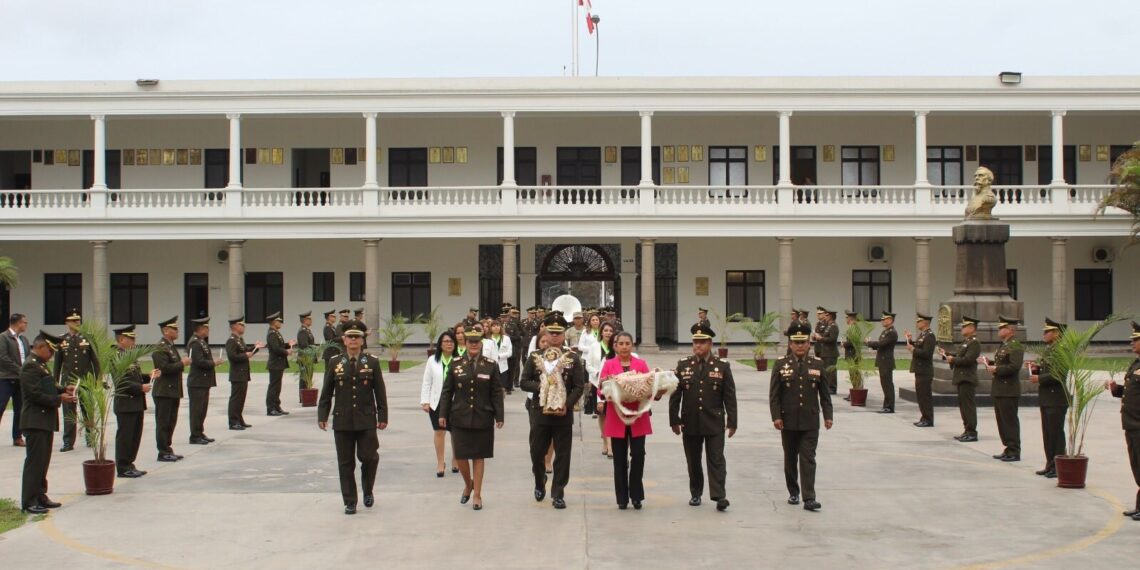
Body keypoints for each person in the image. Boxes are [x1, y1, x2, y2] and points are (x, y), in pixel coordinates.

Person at [317, 320, 388, 515]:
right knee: (345, 462)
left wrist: (383, 415)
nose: (354, 340)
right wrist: (322, 414)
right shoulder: (335, 362)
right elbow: (326, 392)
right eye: (350, 337)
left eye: (357, 336)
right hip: (343, 420)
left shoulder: (372, 362)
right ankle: (350, 500)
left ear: (363, 340)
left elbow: (379, 391)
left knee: (370, 457)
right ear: (344, 340)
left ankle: (367, 490)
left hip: (366, 419)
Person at [519, 312, 586, 510]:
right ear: (545, 334)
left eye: (559, 333)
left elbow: (579, 386)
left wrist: (566, 402)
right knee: (536, 452)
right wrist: (544, 388)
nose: (555, 337)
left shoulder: (572, 358)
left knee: (563, 455)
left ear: (564, 334)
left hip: (563, 414)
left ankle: (558, 492)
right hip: (539, 411)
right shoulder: (536, 357)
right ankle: (540, 481)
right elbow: (523, 382)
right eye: (551, 333)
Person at [669, 322, 738, 511]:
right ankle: (696, 493)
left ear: (710, 344)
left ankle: (719, 495)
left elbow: (729, 396)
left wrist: (732, 421)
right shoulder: (683, 365)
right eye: (695, 342)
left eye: (702, 342)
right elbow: (675, 395)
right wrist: (674, 420)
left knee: (716, 458)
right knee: (693, 460)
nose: (697, 346)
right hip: (690, 421)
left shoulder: (722, 366)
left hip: (714, 421)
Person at [438, 329, 504, 511]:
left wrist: (499, 415)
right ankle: (468, 484)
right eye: (470, 342)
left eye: (477, 341)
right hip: (459, 416)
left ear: (481, 343)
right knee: (460, 456)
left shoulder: (490, 365)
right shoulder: (456, 363)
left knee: (479, 457)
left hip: (483, 416)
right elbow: (447, 392)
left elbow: (496, 392)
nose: (474, 344)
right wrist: (442, 414)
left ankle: (477, 494)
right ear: (465, 343)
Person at [771, 322, 833, 512]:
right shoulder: (781, 364)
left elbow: (825, 394)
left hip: (810, 420)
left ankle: (809, 497)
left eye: (803, 342)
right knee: (790, 459)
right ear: (790, 344)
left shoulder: (818, 364)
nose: (799, 346)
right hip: (787, 421)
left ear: (809, 344)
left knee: (808, 458)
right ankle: (793, 491)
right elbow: (775, 395)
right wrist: (776, 416)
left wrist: (828, 416)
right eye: (795, 342)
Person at [19, 330, 77, 514]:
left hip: (44, 420)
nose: (52, 355)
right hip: (35, 420)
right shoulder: (30, 365)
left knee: (43, 461)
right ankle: (29, 500)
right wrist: (60, 399)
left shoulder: (40, 365)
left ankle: (41, 495)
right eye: (50, 351)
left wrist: (62, 388)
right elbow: (34, 394)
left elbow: (47, 385)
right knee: (35, 462)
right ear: (40, 347)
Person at [598, 331, 654, 510]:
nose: (623, 347)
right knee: (619, 458)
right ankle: (622, 497)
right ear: (614, 346)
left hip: (638, 416)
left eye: (627, 343)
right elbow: (600, 390)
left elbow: (650, 386)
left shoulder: (641, 364)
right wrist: (607, 386)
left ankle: (636, 495)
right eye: (620, 343)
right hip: (617, 416)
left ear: (632, 345)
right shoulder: (608, 364)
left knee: (638, 455)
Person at [113, 325, 158, 478]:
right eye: (130, 339)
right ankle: (123, 466)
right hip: (126, 403)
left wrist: (147, 376)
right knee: (125, 437)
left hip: (137, 402)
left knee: (134, 436)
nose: (134, 342)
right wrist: (140, 387)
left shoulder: (130, 356)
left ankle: (130, 464)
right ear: (121, 339)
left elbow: (135, 377)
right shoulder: (117, 357)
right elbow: (121, 382)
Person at [1106, 321, 1140, 521]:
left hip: (1138, 423)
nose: (1132, 344)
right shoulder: (1135, 364)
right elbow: (1131, 392)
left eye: (1136, 340)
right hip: (1131, 424)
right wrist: (1116, 389)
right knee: (1136, 465)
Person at [1027, 318, 1068, 478]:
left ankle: (1058, 466)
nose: (1044, 334)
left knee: (1056, 434)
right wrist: (1037, 368)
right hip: (1047, 398)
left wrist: (1040, 378)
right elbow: (1048, 369)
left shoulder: (1061, 350)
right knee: (1048, 433)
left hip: (1056, 398)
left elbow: (1059, 374)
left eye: (1047, 331)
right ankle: (1050, 464)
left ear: (1057, 333)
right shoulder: (1050, 349)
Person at [54, 309, 99, 452]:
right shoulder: (62, 339)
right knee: (69, 412)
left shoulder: (88, 337)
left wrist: (98, 378)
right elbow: (57, 363)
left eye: (78, 320)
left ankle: (90, 437)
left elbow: (95, 360)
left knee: (87, 410)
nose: (76, 323)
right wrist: (56, 381)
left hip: (85, 379)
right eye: (73, 321)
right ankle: (68, 442)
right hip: (69, 381)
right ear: (67, 323)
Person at [984, 316, 1024, 462]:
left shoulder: (1015, 345)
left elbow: (1014, 367)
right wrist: (991, 363)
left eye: (1002, 328)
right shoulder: (1004, 345)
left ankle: (1014, 450)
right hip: (999, 388)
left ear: (1011, 330)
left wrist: (997, 368)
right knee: (1002, 421)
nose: (999, 330)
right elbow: (1003, 362)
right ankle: (1008, 447)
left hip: (1009, 389)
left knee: (1009, 421)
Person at [420, 331, 459, 477]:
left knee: (455, 432)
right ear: (440, 344)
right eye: (446, 341)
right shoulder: (432, 360)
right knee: (439, 431)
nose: (449, 344)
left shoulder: (459, 359)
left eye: (451, 341)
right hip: (437, 402)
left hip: (456, 402)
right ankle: (440, 462)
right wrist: (425, 401)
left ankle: (456, 459)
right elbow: (427, 381)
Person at [152, 316, 189, 462]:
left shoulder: (170, 346)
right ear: (166, 331)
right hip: (164, 390)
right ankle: (162, 451)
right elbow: (164, 368)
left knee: (171, 421)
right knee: (163, 423)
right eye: (174, 329)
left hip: (172, 390)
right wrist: (182, 363)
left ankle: (168, 448)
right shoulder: (160, 347)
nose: (177, 331)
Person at [940, 316, 981, 442]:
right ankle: (967, 429)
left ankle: (972, 432)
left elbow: (968, 360)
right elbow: (959, 356)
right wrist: (946, 355)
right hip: (961, 378)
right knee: (963, 406)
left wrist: (953, 359)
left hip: (967, 378)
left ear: (972, 328)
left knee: (968, 406)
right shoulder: (965, 342)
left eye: (965, 326)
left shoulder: (974, 343)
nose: (962, 329)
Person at [186, 317, 222, 445]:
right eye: (206, 328)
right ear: (201, 329)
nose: (208, 330)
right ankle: (194, 435)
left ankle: (199, 432)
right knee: (197, 410)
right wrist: (214, 363)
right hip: (197, 382)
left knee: (202, 409)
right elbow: (199, 361)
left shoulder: (201, 341)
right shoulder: (195, 343)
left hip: (203, 381)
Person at [585, 321, 617, 455]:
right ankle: (605, 440)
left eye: (610, 330)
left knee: (612, 414)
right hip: (597, 382)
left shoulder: (617, 346)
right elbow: (588, 364)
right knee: (602, 414)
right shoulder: (594, 346)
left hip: (614, 385)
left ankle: (611, 445)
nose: (608, 333)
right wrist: (597, 373)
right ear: (601, 332)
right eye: (606, 330)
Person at [225, 316, 262, 430]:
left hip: (243, 373)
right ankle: (233, 421)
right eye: (241, 325)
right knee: (236, 398)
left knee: (241, 398)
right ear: (235, 326)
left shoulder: (239, 339)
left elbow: (245, 351)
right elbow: (232, 356)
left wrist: (255, 348)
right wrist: (245, 355)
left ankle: (239, 419)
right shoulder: (231, 340)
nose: (243, 327)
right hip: (237, 373)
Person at [1, 313, 30, 447]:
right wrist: (20, 370)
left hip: (21, 380)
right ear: (17, 323)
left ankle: (17, 437)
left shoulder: (23, 339)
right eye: (24, 322)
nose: (26, 325)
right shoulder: (3, 337)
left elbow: (28, 358)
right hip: (6, 378)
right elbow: (3, 358)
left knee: (20, 408)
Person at [905, 312, 937, 427]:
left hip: (925, 370)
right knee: (921, 395)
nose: (917, 323)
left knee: (925, 396)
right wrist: (910, 341)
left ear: (925, 323)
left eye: (919, 321)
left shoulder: (930, 336)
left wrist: (913, 349)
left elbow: (926, 353)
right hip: (919, 369)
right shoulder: (923, 335)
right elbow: (919, 347)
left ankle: (928, 419)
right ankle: (924, 417)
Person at [865, 311, 898, 414]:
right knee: (885, 384)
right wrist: (871, 344)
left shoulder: (892, 332)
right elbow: (880, 344)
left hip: (886, 361)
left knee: (887, 385)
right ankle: (886, 405)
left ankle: (889, 406)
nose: (882, 321)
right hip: (882, 361)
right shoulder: (885, 331)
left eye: (885, 319)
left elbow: (882, 344)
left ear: (890, 320)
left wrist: (868, 343)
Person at [265, 312, 294, 416]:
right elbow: (275, 348)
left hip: (279, 363)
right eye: (279, 321)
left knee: (277, 387)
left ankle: (276, 406)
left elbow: (279, 345)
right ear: (274, 322)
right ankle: (271, 408)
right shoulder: (272, 334)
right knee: (274, 387)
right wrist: (287, 352)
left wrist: (287, 345)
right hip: (275, 363)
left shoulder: (276, 332)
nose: (280, 323)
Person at [812, 307, 840, 395]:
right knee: (826, 371)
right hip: (825, 351)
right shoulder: (829, 326)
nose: (825, 317)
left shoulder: (833, 326)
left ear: (831, 316)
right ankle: (827, 386)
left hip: (831, 352)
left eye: (827, 315)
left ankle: (832, 388)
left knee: (831, 371)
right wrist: (818, 337)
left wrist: (821, 338)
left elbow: (832, 339)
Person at [487, 321, 513, 395]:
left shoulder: (506, 338)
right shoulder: (488, 339)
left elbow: (510, 352)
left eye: (497, 325)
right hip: (491, 365)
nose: (496, 327)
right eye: (494, 326)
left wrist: (500, 356)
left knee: (502, 387)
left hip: (503, 366)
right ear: (490, 328)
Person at [297, 311, 316, 402]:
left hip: (309, 357)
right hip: (305, 358)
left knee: (308, 377)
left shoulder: (307, 330)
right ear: (305, 320)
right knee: (304, 378)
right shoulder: (302, 331)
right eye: (310, 319)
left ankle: (305, 396)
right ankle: (303, 397)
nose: (311, 320)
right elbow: (304, 345)